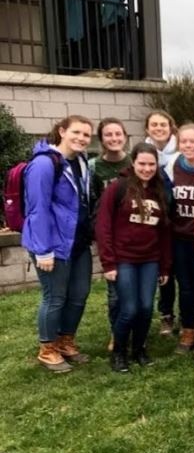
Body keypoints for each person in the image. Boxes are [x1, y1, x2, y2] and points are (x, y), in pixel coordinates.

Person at [22, 115, 94, 372]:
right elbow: (38, 209)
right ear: (62, 131)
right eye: (76, 132)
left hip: (77, 241)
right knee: (55, 297)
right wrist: (43, 250)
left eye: (86, 135)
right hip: (52, 243)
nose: (82, 138)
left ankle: (66, 341)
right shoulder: (44, 164)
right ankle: (47, 348)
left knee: (79, 295)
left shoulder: (81, 161)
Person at [95, 143, 172, 372]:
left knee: (146, 308)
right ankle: (118, 352)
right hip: (124, 259)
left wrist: (165, 267)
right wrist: (108, 262)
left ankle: (139, 349)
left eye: (151, 164)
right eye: (142, 164)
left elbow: (165, 232)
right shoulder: (118, 188)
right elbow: (103, 226)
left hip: (150, 260)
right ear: (133, 163)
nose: (147, 168)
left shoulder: (159, 190)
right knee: (129, 309)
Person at [89, 118, 132, 350]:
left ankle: (136, 329)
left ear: (124, 136)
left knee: (133, 287)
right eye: (109, 135)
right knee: (114, 290)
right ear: (102, 138)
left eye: (118, 134)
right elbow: (93, 202)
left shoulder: (135, 163)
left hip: (133, 235)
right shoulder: (94, 167)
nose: (114, 139)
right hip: (109, 236)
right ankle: (117, 333)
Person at [166, 123, 194, 354]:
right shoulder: (173, 165)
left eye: (193, 141)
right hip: (179, 237)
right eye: (184, 141)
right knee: (186, 287)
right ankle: (188, 329)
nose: (188, 145)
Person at [145, 110, 179, 336]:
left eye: (163, 125)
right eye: (154, 125)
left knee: (180, 272)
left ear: (170, 127)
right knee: (161, 271)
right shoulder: (143, 154)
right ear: (147, 129)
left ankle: (190, 316)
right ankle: (165, 315)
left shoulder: (181, 152)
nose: (159, 128)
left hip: (180, 220)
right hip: (154, 222)